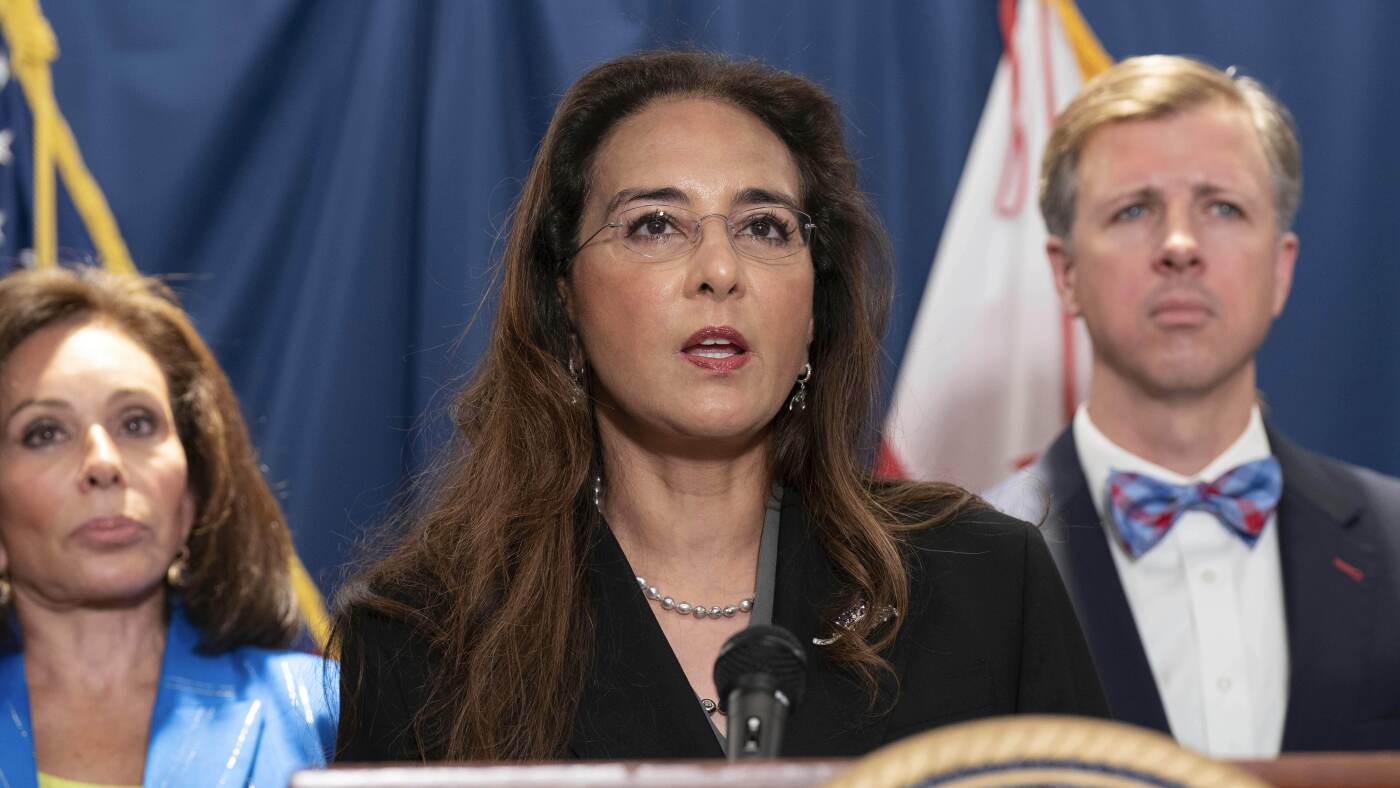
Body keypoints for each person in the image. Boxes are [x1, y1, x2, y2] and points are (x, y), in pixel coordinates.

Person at [333, 49, 1106, 763]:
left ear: (815, 308)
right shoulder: (424, 638)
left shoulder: (986, 586)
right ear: (563, 297)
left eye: (764, 227)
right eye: (655, 225)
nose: (720, 269)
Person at [987, 55, 1400, 755]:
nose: (1180, 246)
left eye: (1222, 208)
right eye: (1134, 209)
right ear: (1067, 273)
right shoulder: (962, 566)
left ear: (1282, 268)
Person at [0, 266, 337, 787]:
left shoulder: (325, 713)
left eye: (137, 423)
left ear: (192, 489)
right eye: (45, 432)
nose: (104, 462)